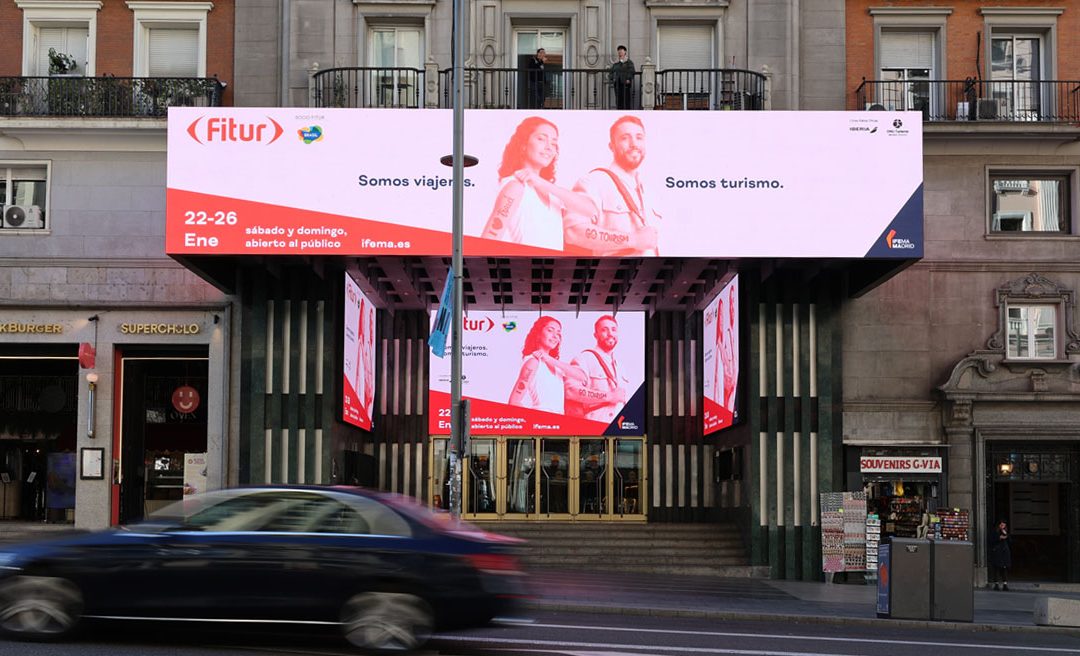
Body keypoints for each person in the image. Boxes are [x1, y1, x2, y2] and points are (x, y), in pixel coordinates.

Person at [480, 117, 596, 251]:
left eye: (553, 143)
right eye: (541, 139)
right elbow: (488, 242)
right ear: (523, 144)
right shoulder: (515, 187)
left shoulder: (551, 193)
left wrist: (541, 182)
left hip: (553, 269)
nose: (549, 148)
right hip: (525, 268)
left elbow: (590, 211)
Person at [566, 115, 660, 256]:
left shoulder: (650, 190)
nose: (634, 143)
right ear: (612, 146)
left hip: (653, 275)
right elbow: (573, 232)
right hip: (614, 275)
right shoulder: (593, 182)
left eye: (639, 137)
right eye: (625, 138)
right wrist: (633, 240)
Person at [508, 316, 588, 414]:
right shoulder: (533, 362)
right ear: (538, 334)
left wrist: (550, 359)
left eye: (558, 333)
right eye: (550, 330)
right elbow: (514, 402)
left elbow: (582, 377)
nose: (555, 336)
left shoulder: (555, 365)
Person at [564, 315, 628, 422]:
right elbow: (571, 391)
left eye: (613, 329)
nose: (610, 334)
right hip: (594, 429)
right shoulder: (584, 359)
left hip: (619, 428)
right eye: (604, 330)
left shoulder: (620, 366)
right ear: (596, 335)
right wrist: (609, 396)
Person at [610, 45, 635, 110]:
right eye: (619, 51)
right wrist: (613, 78)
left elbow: (632, 71)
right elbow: (611, 72)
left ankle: (627, 114)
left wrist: (628, 78)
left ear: (625, 52)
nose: (620, 52)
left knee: (626, 100)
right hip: (617, 84)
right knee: (618, 100)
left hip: (625, 84)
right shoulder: (616, 63)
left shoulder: (628, 62)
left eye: (621, 51)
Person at [988, 519, 1012, 591]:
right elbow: (991, 541)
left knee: (1004, 568)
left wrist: (1006, 535)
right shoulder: (995, 532)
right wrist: (999, 538)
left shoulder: (1006, 532)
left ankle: (1005, 584)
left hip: (1005, 553)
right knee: (996, 568)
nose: (1002, 526)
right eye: (1001, 525)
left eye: (1004, 525)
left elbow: (1010, 542)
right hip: (997, 553)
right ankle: (996, 584)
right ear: (999, 525)